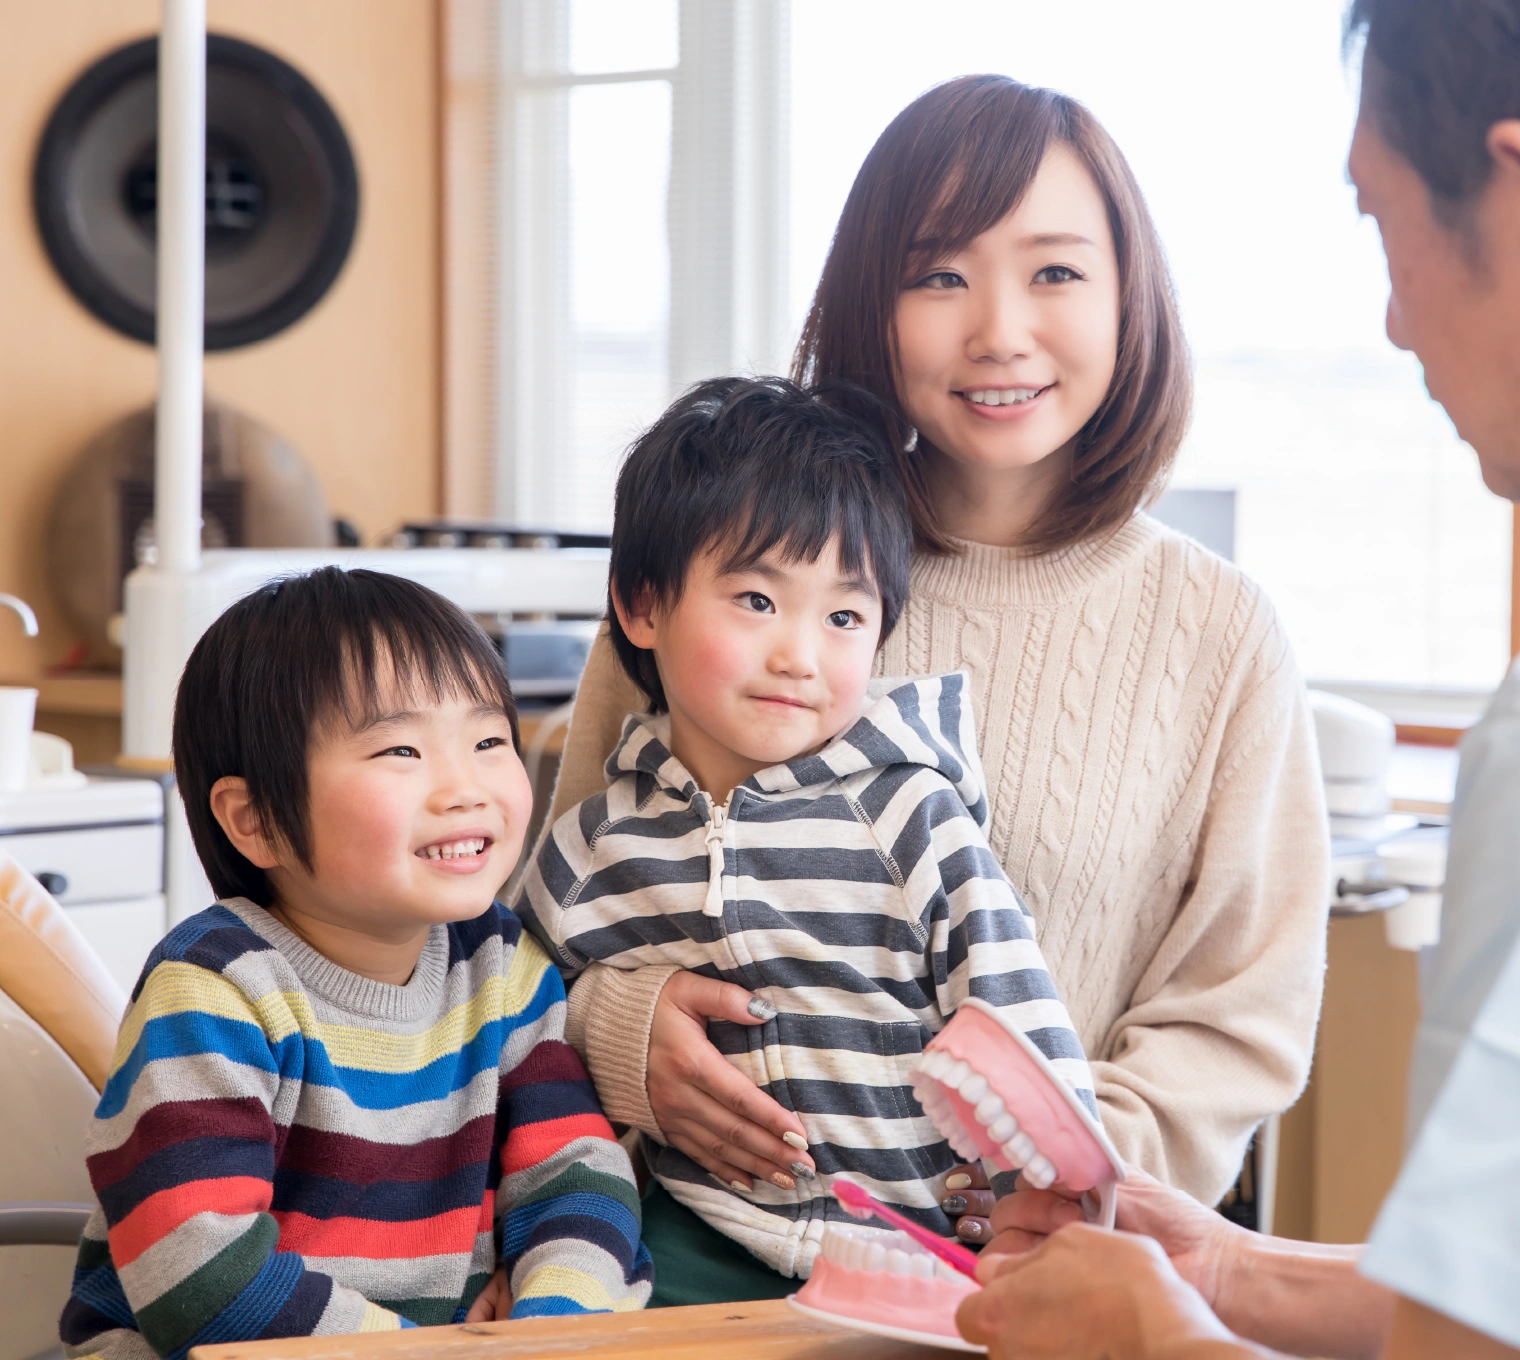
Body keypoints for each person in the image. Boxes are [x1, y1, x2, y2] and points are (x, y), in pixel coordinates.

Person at [545, 74, 1330, 1240]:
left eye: (1054, 271)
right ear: (871, 298)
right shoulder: (728, 565)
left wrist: (1058, 1171)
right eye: (938, 274)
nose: (998, 330)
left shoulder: (1218, 631)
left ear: (1130, 298)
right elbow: (551, 912)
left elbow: (1231, 1021)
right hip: (686, 1258)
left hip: (1030, 1272)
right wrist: (613, 1030)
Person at [957, 0, 1520, 1356]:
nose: (1390, 320)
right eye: (938, 272)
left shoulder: (1219, 630)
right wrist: (1228, 1269)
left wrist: (1156, 1335)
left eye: (1379, 222)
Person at [516, 375, 1094, 1305]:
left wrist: (1059, 1199)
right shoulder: (593, 848)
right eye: (756, 600)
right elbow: (511, 1019)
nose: (801, 655)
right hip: (690, 1233)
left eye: (843, 617)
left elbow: (1018, 1014)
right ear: (643, 606)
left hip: (914, 1244)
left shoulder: (911, 816)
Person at [59, 569, 651, 1356]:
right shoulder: (215, 994)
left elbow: (576, 1174)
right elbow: (202, 1279)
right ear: (258, 820)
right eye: (401, 749)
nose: (465, 787)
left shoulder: (500, 965)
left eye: (487, 741)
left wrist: (555, 1321)